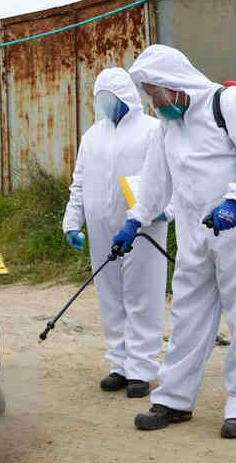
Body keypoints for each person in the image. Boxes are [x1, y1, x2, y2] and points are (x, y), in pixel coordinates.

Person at [110, 44, 236, 439]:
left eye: (155, 93)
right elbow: (153, 183)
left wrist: (235, 199)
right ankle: (174, 399)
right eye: (148, 95)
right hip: (193, 234)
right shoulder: (168, 128)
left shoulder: (227, 102)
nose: (154, 103)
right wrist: (134, 222)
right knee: (186, 315)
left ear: (173, 83)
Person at [62, 67, 169, 398]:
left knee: (142, 295)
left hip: (143, 227)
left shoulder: (153, 130)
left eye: (112, 98)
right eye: (101, 99)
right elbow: (79, 182)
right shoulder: (92, 136)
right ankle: (119, 364)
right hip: (101, 227)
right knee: (110, 296)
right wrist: (71, 222)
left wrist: (168, 211)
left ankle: (142, 368)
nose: (106, 105)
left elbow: (171, 177)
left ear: (127, 97)